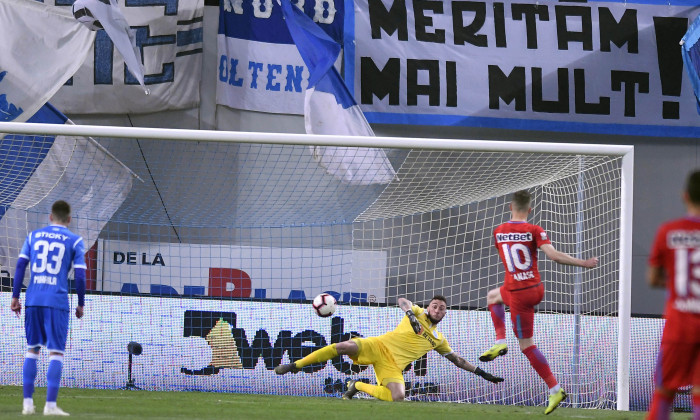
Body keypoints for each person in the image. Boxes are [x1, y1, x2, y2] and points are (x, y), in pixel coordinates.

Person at [479, 189, 598, 415]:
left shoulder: (499, 231)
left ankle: (555, 389)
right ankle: (500, 341)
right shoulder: (535, 230)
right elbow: (553, 256)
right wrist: (583, 263)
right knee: (493, 296)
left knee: (527, 345)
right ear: (530, 209)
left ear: (509, 207)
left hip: (519, 293)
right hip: (532, 287)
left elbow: (507, 258)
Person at [274, 295, 504, 401]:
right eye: (434, 305)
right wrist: (410, 315)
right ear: (428, 308)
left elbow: (457, 360)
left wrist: (482, 373)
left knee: (398, 397)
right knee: (343, 346)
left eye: (441, 308)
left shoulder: (438, 339)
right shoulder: (415, 311)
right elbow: (402, 300)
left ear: (445, 313)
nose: (437, 309)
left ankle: (357, 385)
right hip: (377, 345)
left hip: (393, 365)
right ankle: (295, 365)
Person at [10, 200, 86, 416]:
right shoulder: (75, 240)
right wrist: (81, 303)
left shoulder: (33, 236)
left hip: (33, 299)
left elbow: (20, 265)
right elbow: (80, 275)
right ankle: (50, 406)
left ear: (50, 217)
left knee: (32, 349)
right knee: (56, 353)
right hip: (57, 301)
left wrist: (15, 296)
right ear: (69, 219)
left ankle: (27, 405)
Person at [646, 170, 700, 420]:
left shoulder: (668, 231)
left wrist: (679, 281)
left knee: (665, 390)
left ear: (684, 196)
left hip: (679, 326)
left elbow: (653, 278)